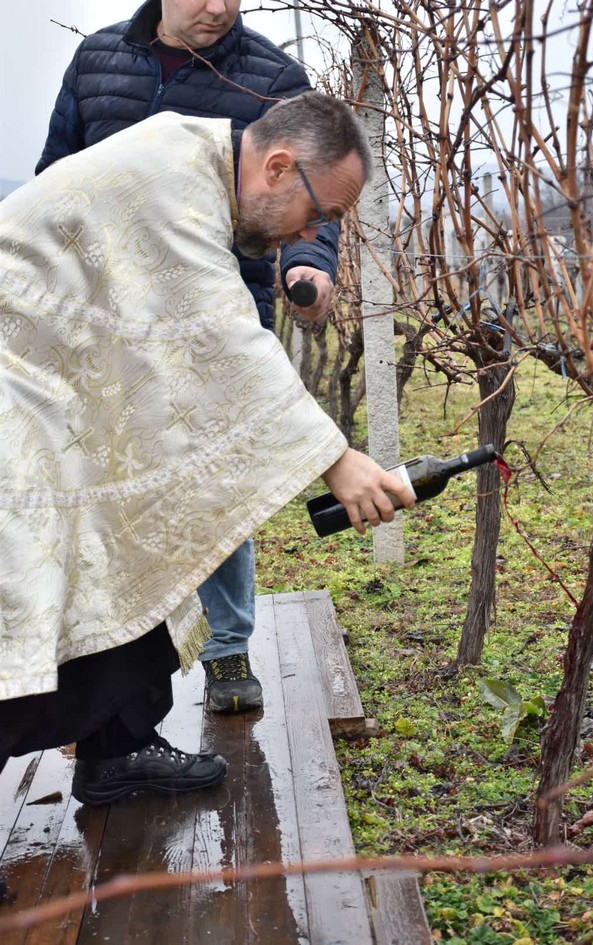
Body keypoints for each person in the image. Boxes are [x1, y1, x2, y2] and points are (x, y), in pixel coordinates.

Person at [0, 92, 416, 807]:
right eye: (318, 214)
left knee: (134, 541)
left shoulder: (190, 160)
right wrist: (337, 459)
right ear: (279, 167)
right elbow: (222, 343)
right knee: (26, 587)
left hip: (56, 388)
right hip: (17, 394)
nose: (309, 233)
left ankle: (117, 748)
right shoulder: (171, 185)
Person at [36, 0, 341, 715]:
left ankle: (227, 646)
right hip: (107, 312)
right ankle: (103, 677)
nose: (218, 7)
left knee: (213, 479)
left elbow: (304, 195)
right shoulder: (98, 60)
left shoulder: (274, 77)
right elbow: (57, 173)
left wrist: (310, 264)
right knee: (109, 487)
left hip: (216, 311)